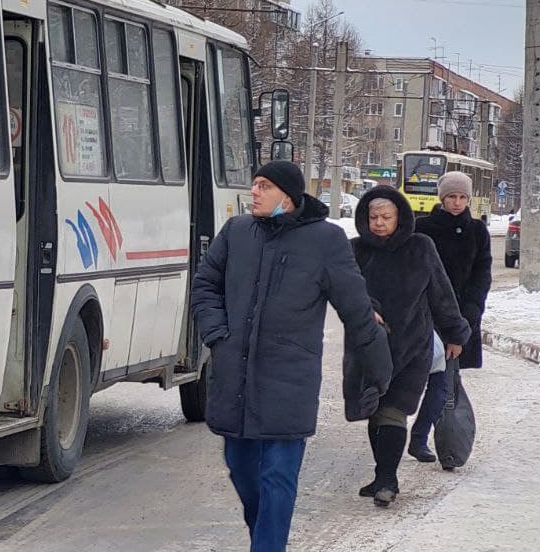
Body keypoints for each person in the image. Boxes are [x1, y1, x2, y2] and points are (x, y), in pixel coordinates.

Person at [192, 161, 390, 551]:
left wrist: (380, 369)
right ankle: (263, 538)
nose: (254, 192)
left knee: (278, 477)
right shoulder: (236, 232)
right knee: (242, 470)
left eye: (263, 186)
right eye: (254, 185)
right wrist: (218, 336)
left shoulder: (325, 240)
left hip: (290, 379)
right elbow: (205, 284)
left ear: (287, 194)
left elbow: (355, 307)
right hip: (236, 377)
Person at [350, 188, 472, 507]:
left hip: (411, 345)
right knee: (375, 411)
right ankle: (382, 474)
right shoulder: (355, 251)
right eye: (373, 217)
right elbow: (345, 290)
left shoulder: (420, 247)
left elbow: (440, 293)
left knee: (394, 410)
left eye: (386, 217)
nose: (378, 223)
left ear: (400, 217)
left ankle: (388, 479)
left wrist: (454, 334)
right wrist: (365, 308)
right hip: (370, 348)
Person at [409, 171, 492, 463]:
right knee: (421, 378)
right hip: (427, 316)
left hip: (461, 318)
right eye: (451, 197)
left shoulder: (478, 231)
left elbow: (482, 276)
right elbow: (415, 273)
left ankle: (423, 439)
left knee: (444, 381)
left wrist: (469, 315)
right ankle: (418, 438)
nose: (457, 203)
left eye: (462, 197)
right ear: (442, 198)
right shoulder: (423, 228)